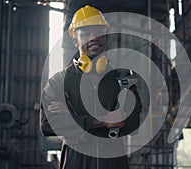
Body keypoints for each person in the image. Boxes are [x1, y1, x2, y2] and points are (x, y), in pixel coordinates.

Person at [39, 5, 145, 169]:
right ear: (75, 40)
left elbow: (133, 122)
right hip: (76, 160)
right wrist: (103, 121)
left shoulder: (123, 78)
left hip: (112, 160)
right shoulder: (59, 82)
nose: (94, 37)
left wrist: (72, 116)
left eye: (99, 32)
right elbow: (48, 125)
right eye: (86, 33)